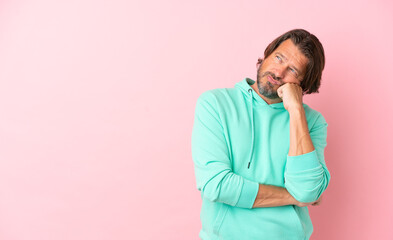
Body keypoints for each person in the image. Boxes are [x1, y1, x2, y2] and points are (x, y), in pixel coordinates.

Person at [191, 29, 331, 240]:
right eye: (278, 57)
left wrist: (295, 111)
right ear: (266, 54)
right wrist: (293, 197)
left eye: (292, 70)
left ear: (303, 84)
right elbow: (216, 185)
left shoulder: (312, 122)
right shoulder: (215, 104)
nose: (278, 72)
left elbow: (308, 190)